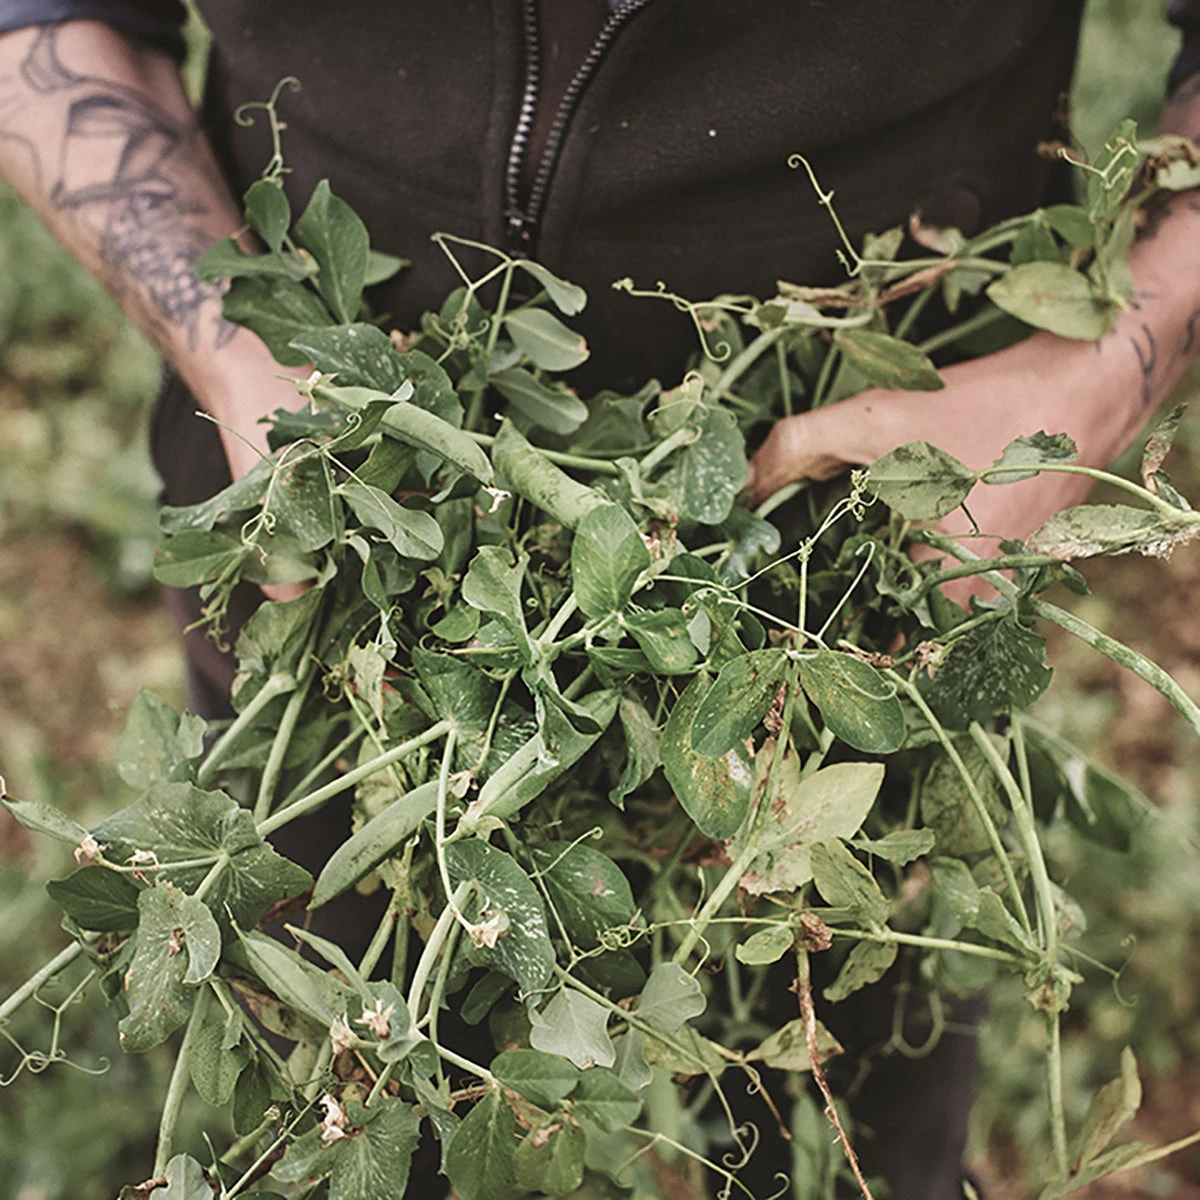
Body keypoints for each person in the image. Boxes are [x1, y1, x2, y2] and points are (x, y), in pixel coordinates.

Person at [0, 5, 1197, 1197]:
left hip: (861, 565)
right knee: (353, 1074)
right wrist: (234, 356)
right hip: (350, 561)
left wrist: (1099, 371)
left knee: (844, 1134)